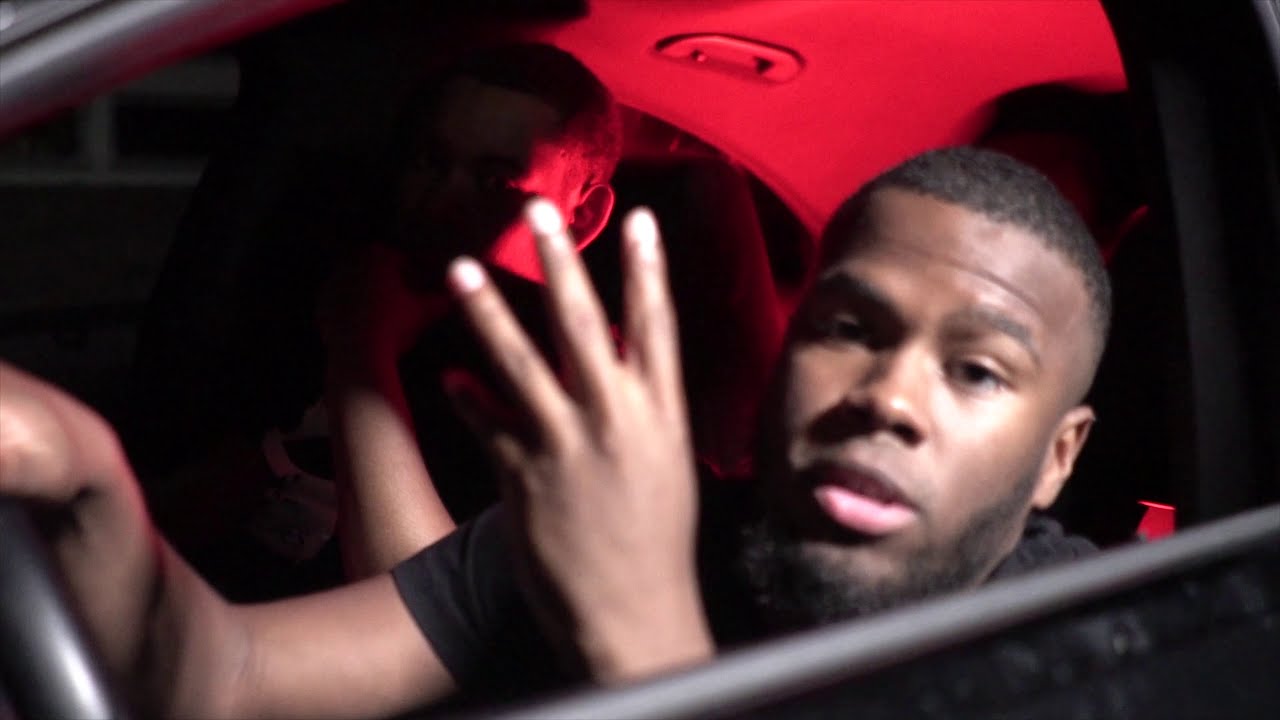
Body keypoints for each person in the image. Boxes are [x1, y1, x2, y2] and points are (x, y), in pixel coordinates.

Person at [0, 147, 1108, 717]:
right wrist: (81, 468)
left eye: (975, 370)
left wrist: (640, 638)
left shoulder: (1113, 652)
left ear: (1058, 458)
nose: (888, 398)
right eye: (849, 330)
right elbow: (223, 676)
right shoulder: (629, 518)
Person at [130, 42, 623, 593]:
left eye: (494, 183)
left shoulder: (589, 399)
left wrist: (361, 353)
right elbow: (169, 520)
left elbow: (431, 611)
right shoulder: (333, 294)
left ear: (581, 217)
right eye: (429, 163)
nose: (440, 203)